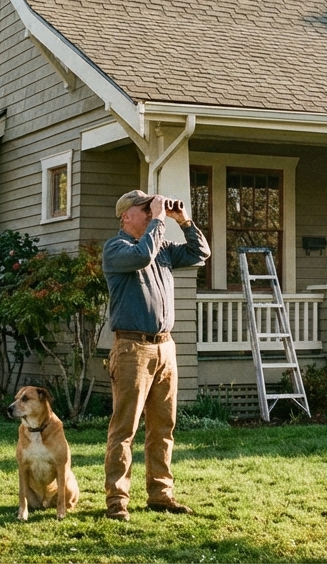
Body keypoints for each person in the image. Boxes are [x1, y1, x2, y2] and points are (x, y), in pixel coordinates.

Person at [101, 189, 210, 521]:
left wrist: (183, 220)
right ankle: (117, 500)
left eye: (151, 208)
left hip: (165, 346)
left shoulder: (161, 246)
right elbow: (142, 257)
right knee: (125, 429)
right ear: (126, 216)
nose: (150, 213)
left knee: (163, 427)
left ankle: (161, 495)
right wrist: (159, 221)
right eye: (143, 209)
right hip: (132, 348)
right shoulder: (116, 249)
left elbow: (199, 253)